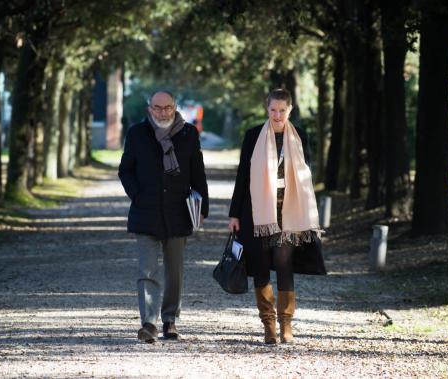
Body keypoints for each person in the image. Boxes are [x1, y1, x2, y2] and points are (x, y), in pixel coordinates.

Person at [228, 88, 326, 345]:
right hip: (257, 213)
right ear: (266, 109)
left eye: (282, 110)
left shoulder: (300, 136)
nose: (277, 115)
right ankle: (268, 325)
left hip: (289, 213)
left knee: (284, 265)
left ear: (290, 110)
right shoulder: (252, 136)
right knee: (260, 266)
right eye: (273, 109)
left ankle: (286, 324)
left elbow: (306, 176)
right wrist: (234, 214)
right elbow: (243, 177)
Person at [119, 90, 209, 343]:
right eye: (157, 108)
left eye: (167, 107)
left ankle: (170, 320)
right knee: (147, 269)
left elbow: (197, 173)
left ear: (175, 107)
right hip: (145, 212)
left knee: (174, 271)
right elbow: (125, 170)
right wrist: (137, 195)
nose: (162, 112)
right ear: (149, 109)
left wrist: (202, 208)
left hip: (178, 212)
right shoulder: (137, 133)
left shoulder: (189, 134)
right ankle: (149, 323)